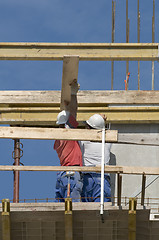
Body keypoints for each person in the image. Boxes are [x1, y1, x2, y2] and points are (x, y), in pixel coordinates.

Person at [54, 80, 83, 202]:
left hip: (62, 175)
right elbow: (73, 111)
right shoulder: (68, 134)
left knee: (62, 210)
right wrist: (73, 93)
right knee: (73, 208)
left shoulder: (57, 140)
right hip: (71, 173)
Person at [80, 114, 111, 202]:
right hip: (102, 176)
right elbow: (106, 131)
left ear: (89, 128)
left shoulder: (84, 141)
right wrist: (102, 121)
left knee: (87, 211)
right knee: (102, 211)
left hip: (88, 177)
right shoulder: (107, 141)